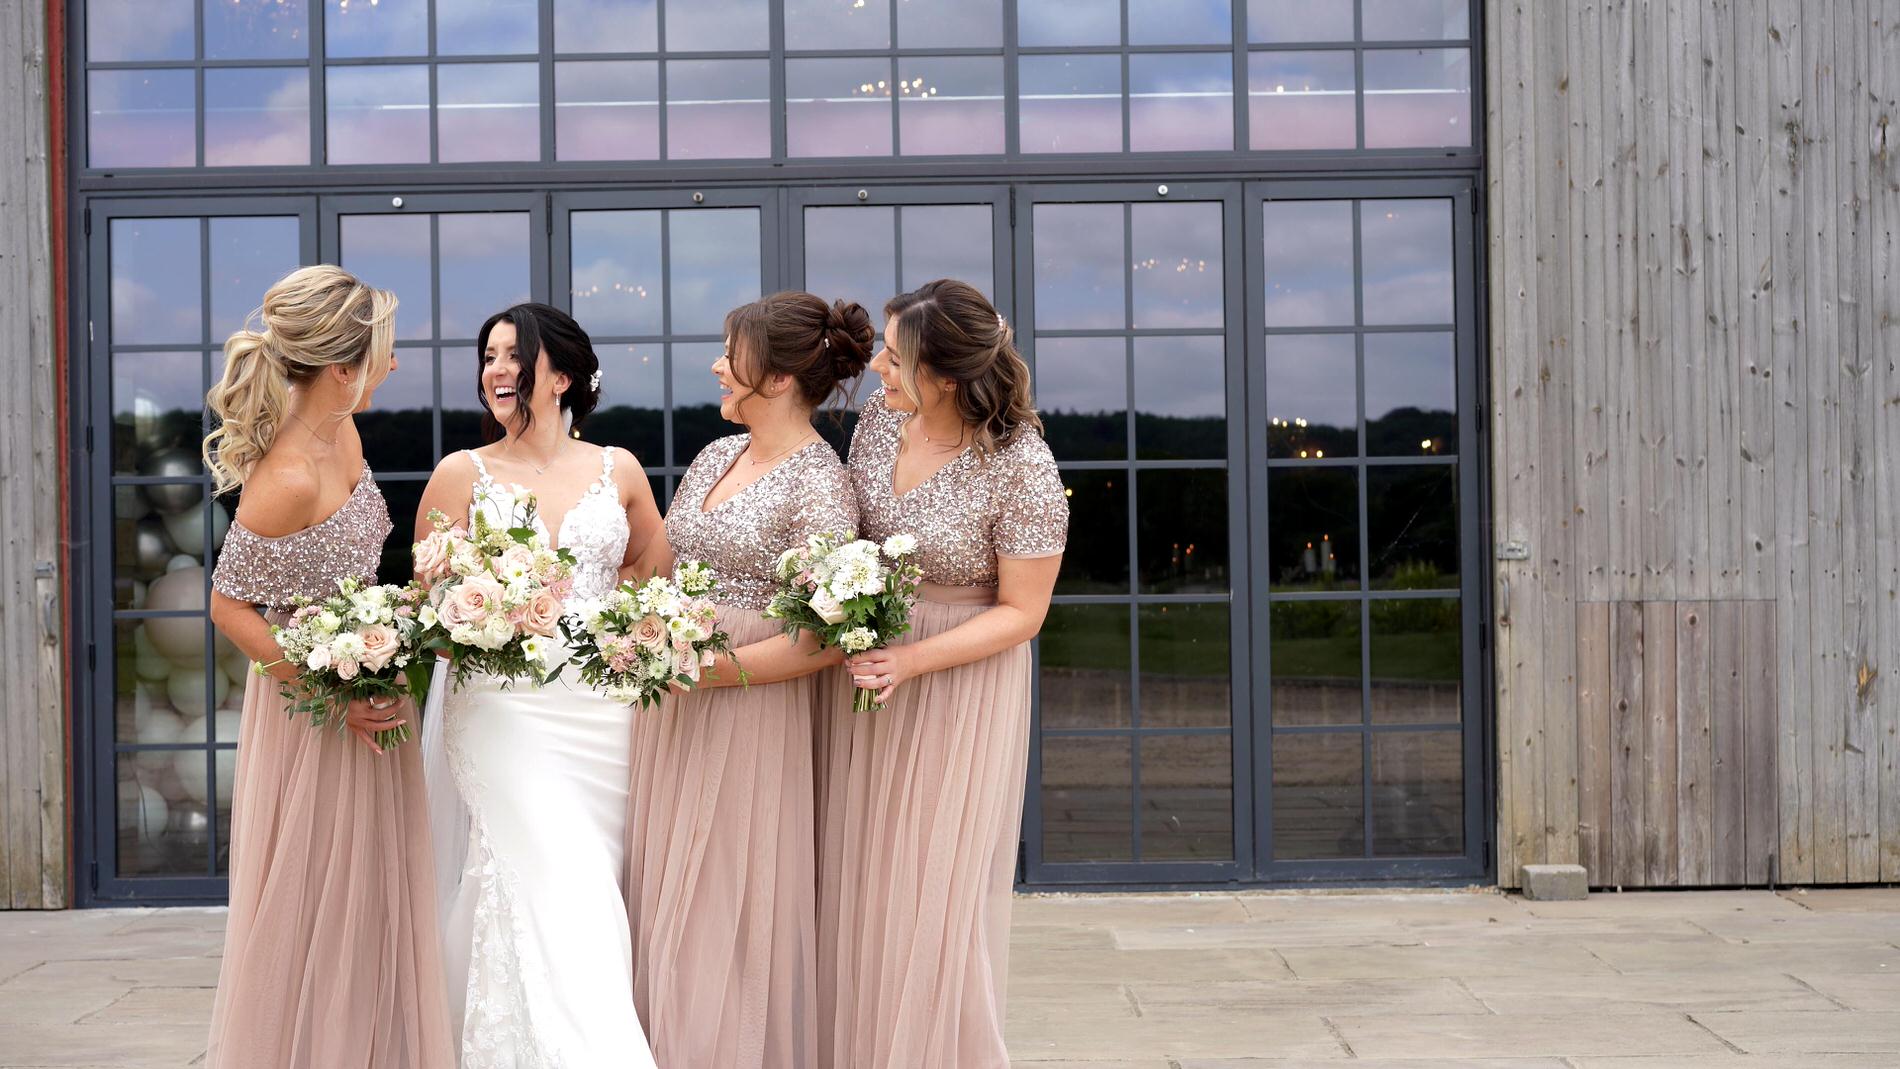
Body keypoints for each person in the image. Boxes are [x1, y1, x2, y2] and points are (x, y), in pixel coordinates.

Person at [203, 264, 454, 1068]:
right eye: (384, 352)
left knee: (374, 897)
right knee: (316, 902)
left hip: (371, 695)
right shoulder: (286, 476)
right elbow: (227, 606)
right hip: (310, 718)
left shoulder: (343, 434)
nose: (394, 366)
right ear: (342, 369)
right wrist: (332, 693)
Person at [818, 279, 1068, 1069]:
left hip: (960, 684)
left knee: (935, 896)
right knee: (864, 887)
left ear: (947, 375)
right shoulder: (875, 427)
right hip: (867, 674)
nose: (880, 368)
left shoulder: (1020, 461)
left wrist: (914, 658)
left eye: (897, 356)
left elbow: (1024, 612)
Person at [412, 302, 664, 1067]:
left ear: (560, 374)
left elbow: (652, 571)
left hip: (600, 713)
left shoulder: (617, 468)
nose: (495, 367)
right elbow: (429, 595)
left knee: (570, 883)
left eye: (512, 353)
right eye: (487, 354)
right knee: (563, 874)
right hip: (501, 708)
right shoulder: (462, 473)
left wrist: (622, 636)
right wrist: (489, 611)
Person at [624, 291, 871, 1069]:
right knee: (665, 891)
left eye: (732, 354)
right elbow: (662, 566)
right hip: (678, 704)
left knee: (729, 900)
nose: (717, 366)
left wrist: (708, 670)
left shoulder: (820, 483)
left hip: (751, 714)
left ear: (780, 378)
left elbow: (823, 639)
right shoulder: (711, 457)